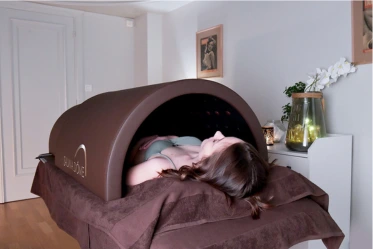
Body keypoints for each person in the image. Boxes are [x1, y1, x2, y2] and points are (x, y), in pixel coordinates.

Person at [126, 131, 272, 219]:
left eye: (217, 141)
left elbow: (114, 176)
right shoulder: (200, 147)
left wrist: (141, 143)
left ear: (214, 164)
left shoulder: (160, 167)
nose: (217, 133)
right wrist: (166, 137)